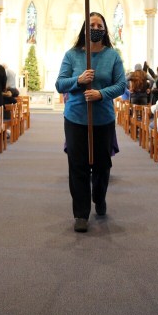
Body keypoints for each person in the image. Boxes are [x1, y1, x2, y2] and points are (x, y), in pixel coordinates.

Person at [55, 12, 126, 233]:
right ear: (85, 29)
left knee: (103, 165)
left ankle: (99, 196)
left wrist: (101, 93)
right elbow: (60, 84)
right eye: (91, 24)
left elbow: (121, 85)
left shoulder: (112, 56)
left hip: (103, 119)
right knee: (78, 166)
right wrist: (79, 80)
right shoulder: (72, 55)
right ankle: (81, 214)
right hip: (76, 118)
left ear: (104, 30)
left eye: (99, 25)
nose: (95, 27)